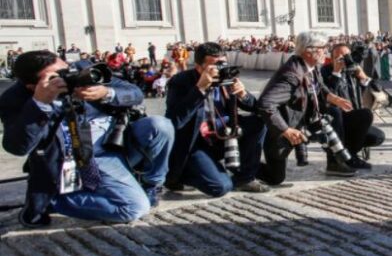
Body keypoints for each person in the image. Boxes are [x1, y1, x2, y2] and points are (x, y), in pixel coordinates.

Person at [0, 50, 174, 227]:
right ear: (32, 85)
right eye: (57, 76)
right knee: (133, 208)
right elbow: (17, 147)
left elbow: (135, 92)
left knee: (160, 125)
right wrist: (39, 103)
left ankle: (151, 185)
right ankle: (54, 200)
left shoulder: (83, 69)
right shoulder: (15, 98)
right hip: (80, 158)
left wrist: (107, 93)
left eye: (66, 69)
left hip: (115, 142)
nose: (67, 76)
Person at [164, 42, 269, 196]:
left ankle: (244, 178)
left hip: (223, 135)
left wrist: (243, 95)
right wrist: (199, 89)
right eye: (215, 66)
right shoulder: (180, 82)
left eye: (223, 64)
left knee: (258, 123)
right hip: (197, 142)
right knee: (220, 187)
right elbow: (175, 120)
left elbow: (255, 107)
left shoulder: (226, 77)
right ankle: (182, 173)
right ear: (199, 67)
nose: (220, 69)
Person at [256, 32, 356, 182]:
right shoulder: (291, 74)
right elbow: (266, 104)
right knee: (275, 177)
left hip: (305, 121)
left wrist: (335, 99)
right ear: (309, 51)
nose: (326, 51)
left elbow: (320, 88)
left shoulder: (311, 66)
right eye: (323, 48)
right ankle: (242, 167)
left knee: (334, 112)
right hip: (284, 127)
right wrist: (286, 130)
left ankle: (336, 162)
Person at [321, 43, 387, 168]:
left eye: (345, 56)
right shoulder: (325, 71)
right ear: (332, 57)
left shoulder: (351, 70)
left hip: (352, 118)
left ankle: (349, 154)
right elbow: (328, 97)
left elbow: (376, 88)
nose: (342, 59)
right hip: (338, 120)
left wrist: (363, 77)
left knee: (378, 137)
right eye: (338, 56)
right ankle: (348, 157)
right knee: (366, 114)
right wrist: (336, 73)